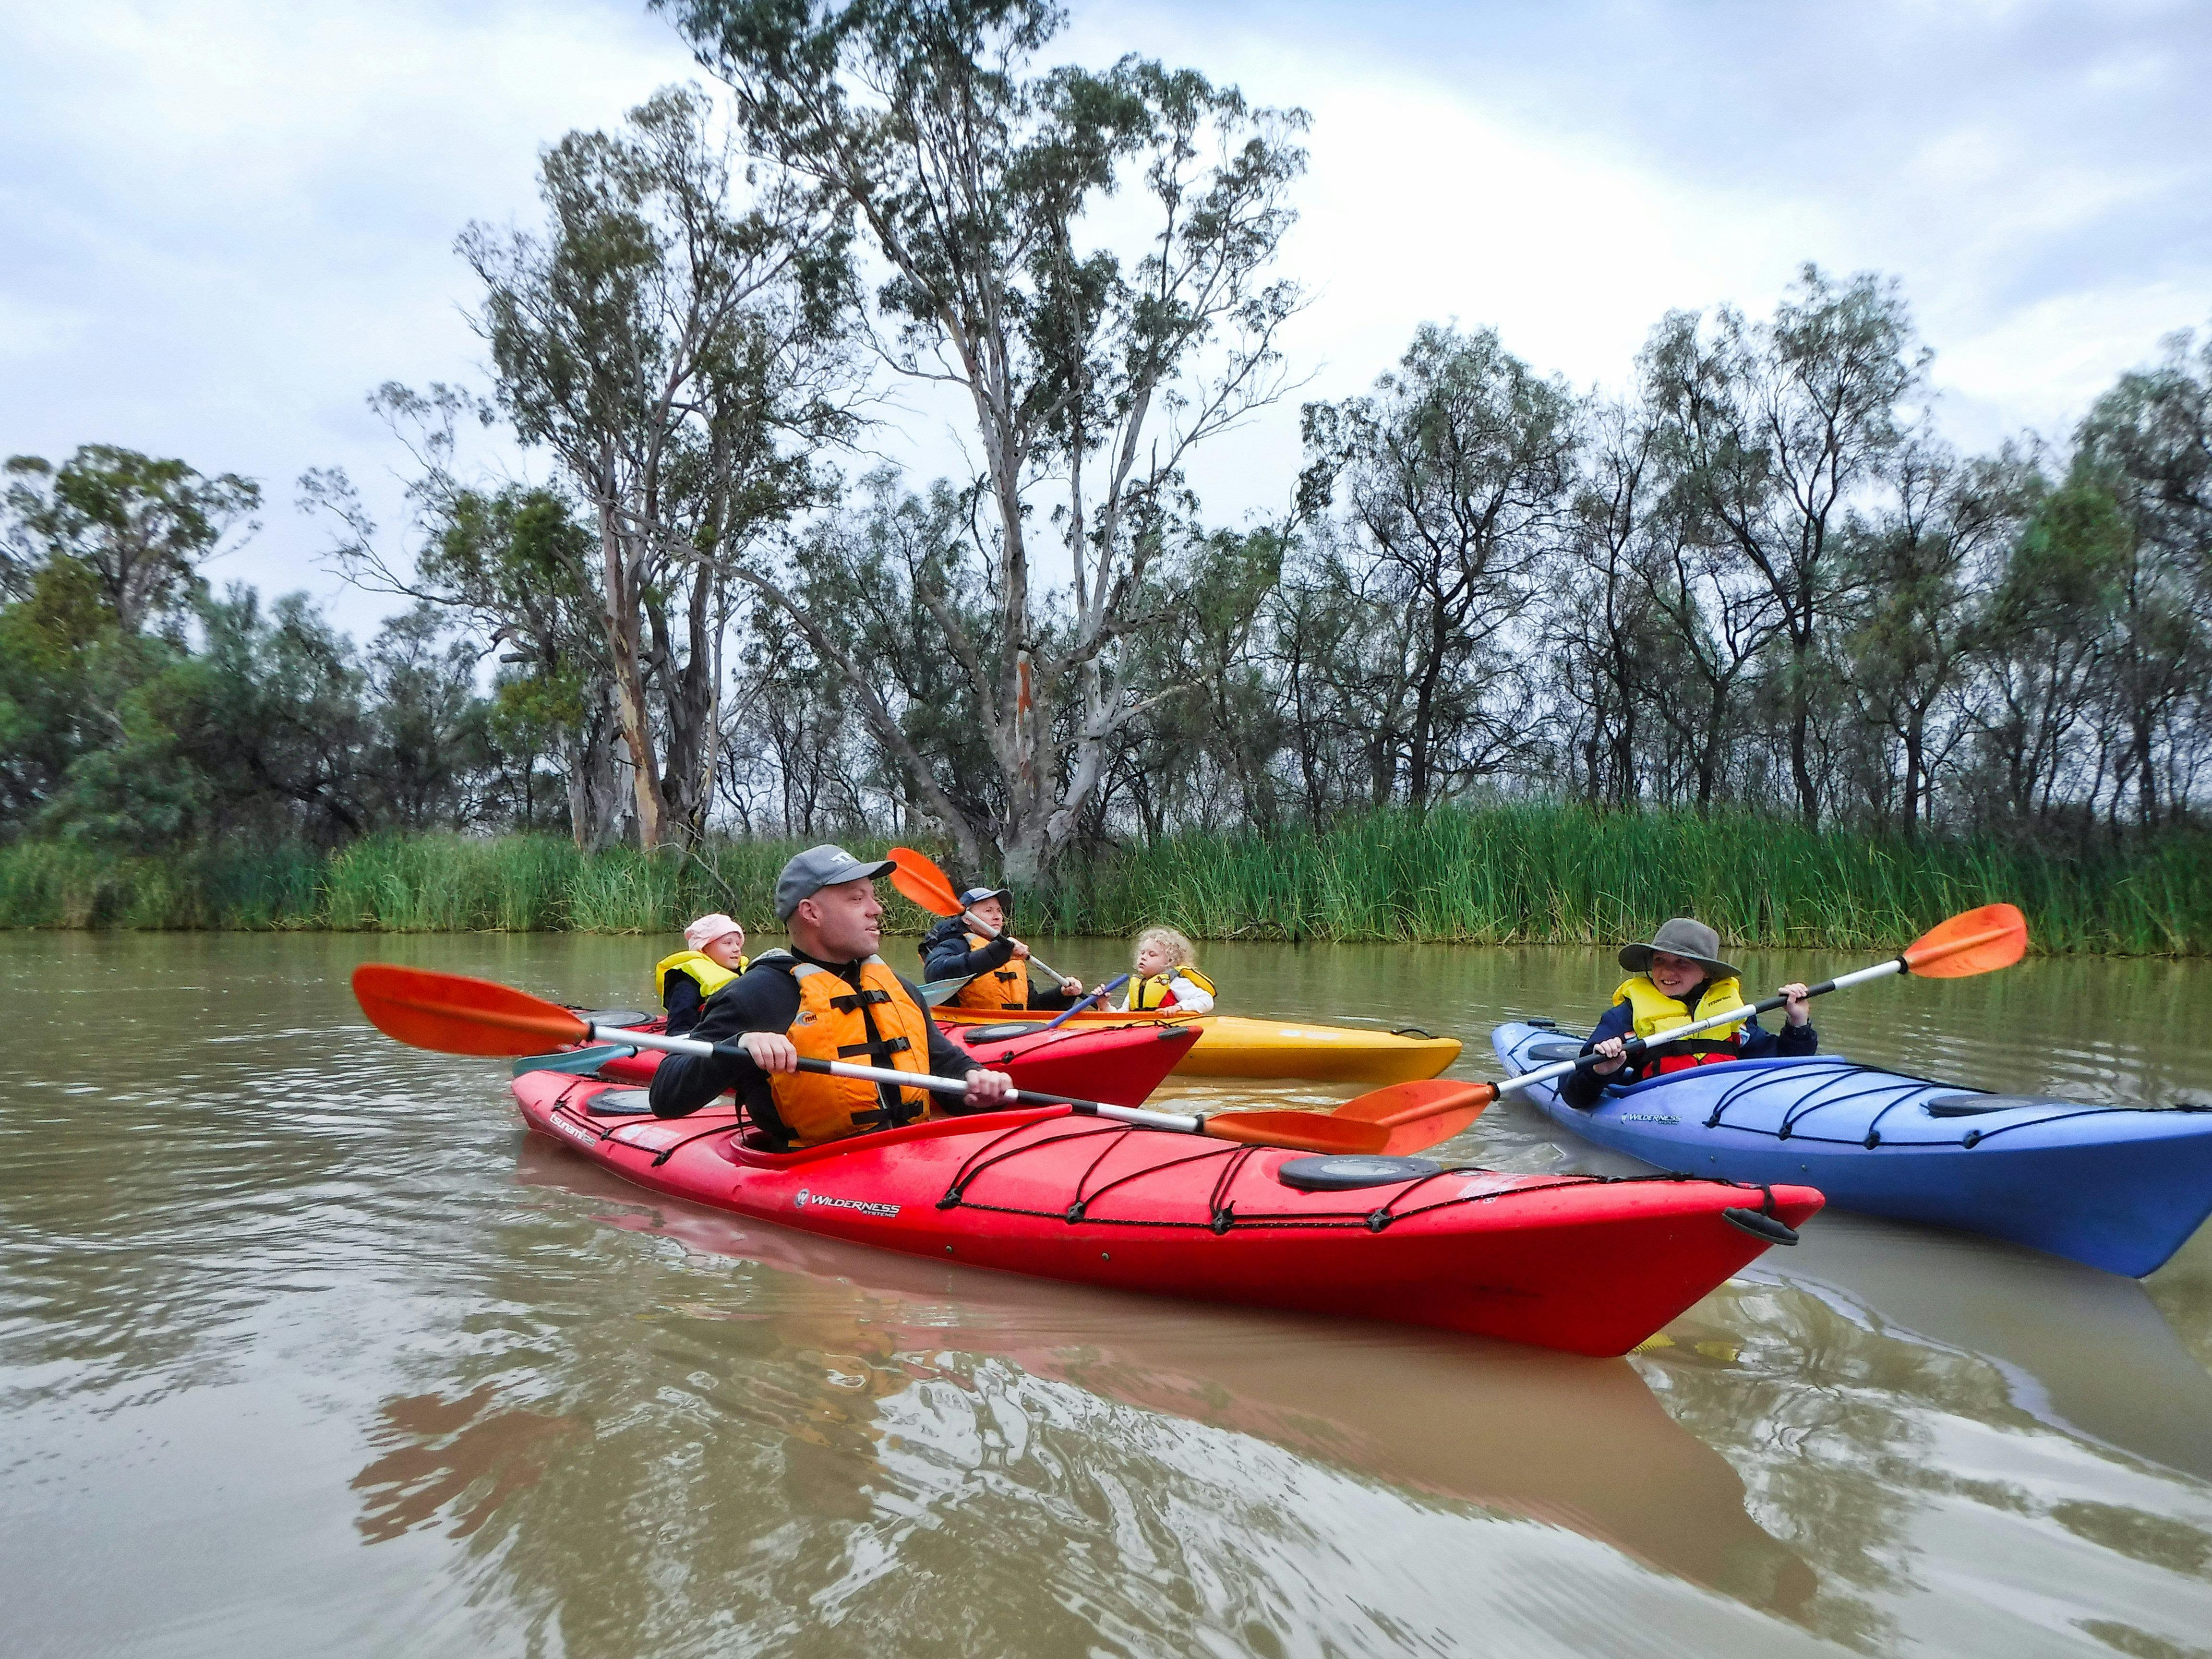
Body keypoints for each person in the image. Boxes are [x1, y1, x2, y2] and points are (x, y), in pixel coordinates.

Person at [649, 845, 1016, 1147]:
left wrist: (977, 1082)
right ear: (811, 913)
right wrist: (738, 1045)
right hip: (811, 1173)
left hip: (910, 1159)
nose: (877, 909)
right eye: (857, 898)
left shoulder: (900, 990)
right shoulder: (755, 995)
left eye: (874, 897)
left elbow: (948, 1075)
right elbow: (666, 1097)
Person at [1560, 917, 1814, 1110]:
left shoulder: (1733, 1015)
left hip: (1723, 1104)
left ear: (1707, 972)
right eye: (1659, 961)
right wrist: (1601, 1070)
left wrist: (1798, 1021)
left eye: (1682, 962)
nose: (1667, 972)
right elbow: (1574, 1097)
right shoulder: (1625, 1016)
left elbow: (1786, 1065)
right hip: (1658, 1109)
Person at [919, 886, 1084, 1012]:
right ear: (967, 919)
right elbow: (935, 973)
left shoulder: (1009, 953)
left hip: (1010, 1029)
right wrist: (997, 953)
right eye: (988, 911)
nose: (998, 916)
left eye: (999, 911)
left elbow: (1033, 1007)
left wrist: (1062, 995)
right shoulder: (955, 945)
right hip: (969, 1029)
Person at [655, 913, 749, 1036]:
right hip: (705, 1040)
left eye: (738, 944)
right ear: (704, 949)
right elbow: (677, 1032)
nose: (737, 949)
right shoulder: (687, 984)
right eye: (728, 943)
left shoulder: (746, 974)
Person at [1112, 926, 1216, 1014]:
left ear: (1169, 961)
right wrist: (1105, 1004)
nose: (1143, 957)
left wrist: (1179, 1007)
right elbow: (1121, 1015)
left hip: (1170, 1026)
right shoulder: (1139, 986)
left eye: (1152, 954)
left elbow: (1207, 1001)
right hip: (1142, 1027)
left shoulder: (1174, 982)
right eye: (1142, 953)